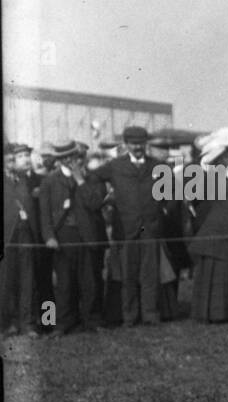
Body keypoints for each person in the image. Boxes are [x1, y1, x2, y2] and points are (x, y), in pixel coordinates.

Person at [87, 125, 164, 326]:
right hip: (126, 229)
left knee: (150, 274)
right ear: (126, 144)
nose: (137, 147)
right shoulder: (115, 166)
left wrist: (163, 210)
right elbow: (92, 176)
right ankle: (129, 316)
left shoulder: (158, 165)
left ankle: (150, 314)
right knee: (128, 275)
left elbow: (171, 190)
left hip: (150, 228)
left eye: (140, 143)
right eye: (133, 144)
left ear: (146, 144)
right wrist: (106, 195)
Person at [37, 140, 104, 335]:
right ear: (59, 160)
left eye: (73, 156)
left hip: (87, 235)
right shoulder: (49, 181)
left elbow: (95, 204)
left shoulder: (90, 178)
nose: (70, 160)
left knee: (90, 281)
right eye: (65, 157)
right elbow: (45, 213)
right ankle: (64, 322)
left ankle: (92, 320)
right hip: (63, 236)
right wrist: (49, 236)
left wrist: (80, 180)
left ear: (78, 157)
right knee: (65, 282)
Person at [189, 128, 228, 322]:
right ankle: (215, 312)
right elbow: (200, 206)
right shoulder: (210, 177)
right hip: (217, 229)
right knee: (218, 266)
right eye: (227, 153)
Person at [2, 143, 41, 335]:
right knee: (6, 281)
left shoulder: (28, 179)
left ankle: (27, 323)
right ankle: (7, 323)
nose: (12, 162)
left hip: (26, 235)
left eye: (13, 159)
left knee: (27, 280)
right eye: (8, 159)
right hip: (6, 238)